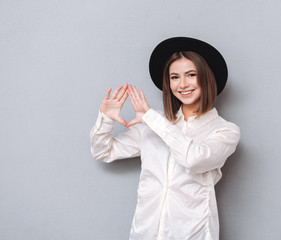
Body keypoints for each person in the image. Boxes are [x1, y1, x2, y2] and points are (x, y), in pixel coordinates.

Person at [90, 37, 240, 240]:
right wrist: (106, 119)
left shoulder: (225, 131)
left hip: (193, 234)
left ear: (206, 78)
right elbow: (103, 151)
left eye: (191, 75)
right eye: (175, 77)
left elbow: (193, 160)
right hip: (144, 233)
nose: (183, 84)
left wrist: (152, 118)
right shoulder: (151, 123)